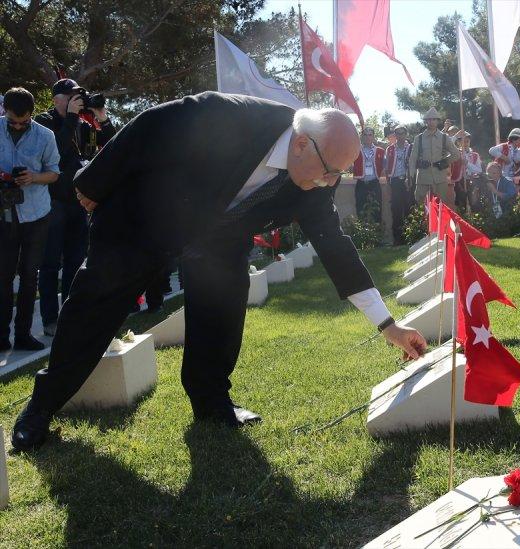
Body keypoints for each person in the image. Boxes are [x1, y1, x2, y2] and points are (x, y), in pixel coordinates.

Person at [11, 93, 427, 451]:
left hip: (219, 239)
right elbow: (152, 125)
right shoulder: (233, 116)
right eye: (329, 170)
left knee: (222, 313)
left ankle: (212, 403)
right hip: (146, 218)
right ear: (301, 143)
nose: (331, 181)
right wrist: (93, 181)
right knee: (94, 307)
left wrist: (387, 325)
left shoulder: (318, 177)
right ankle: (42, 407)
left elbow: (334, 243)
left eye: (339, 173)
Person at [35, 79, 117, 336]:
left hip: (79, 202)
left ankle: (71, 314)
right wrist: (70, 118)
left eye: (78, 96)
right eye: (70, 96)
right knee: (50, 264)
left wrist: (101, 117)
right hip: (54, 202)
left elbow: (113, 145)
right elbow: (54, 153)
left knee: (75, 262)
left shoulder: (85, 125)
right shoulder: (44, 121)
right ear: (57, 98)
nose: (76, 100)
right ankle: (50, 320)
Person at [0, 88, 60, 352]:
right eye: (13, 120)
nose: (18, 125)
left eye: (24, 121)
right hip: (4, 214)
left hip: (36, 213)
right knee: (3, 276)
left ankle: (23, 334)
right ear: (5, 111)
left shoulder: (45, 136)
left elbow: (54, 173)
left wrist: (33, 177)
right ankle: (1, 336)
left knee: (29, 276)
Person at [409, 107, 461, 207]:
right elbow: (413, 158)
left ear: (437, 121)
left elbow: (456, 154)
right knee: (421, 207)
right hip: (423, 178)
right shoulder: (418, 138)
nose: (431, 122)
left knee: (441, 207)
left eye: (434, 119)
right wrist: (410, 175)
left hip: (440, 178)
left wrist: (444, 162)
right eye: (428, 119)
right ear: (425, 121)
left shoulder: (444, 137)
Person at [385, 125, 413, 245]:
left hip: (408, 181)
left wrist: (410, 178)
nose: (400, 136)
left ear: (406, 134)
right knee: (396, 210)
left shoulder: (411, 147)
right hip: (395, 181)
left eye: (402, 133)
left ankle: (411, 237)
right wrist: (388, 183)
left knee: (409, 208)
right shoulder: (390, 149)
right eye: (398, 134)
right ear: (395, 135)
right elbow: (386, 168)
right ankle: (398, 239)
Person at [352, 127, 384, 223]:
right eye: (365, 135)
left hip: (374, 183)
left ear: (373, 136)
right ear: (362, 136)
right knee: (360, 210)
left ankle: (378, 236)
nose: (368, 137)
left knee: (377, 211)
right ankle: (362, 235)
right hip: (361, 184)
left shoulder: (380, 151)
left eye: (370, 135)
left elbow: (386, 166)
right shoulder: (356, 150)